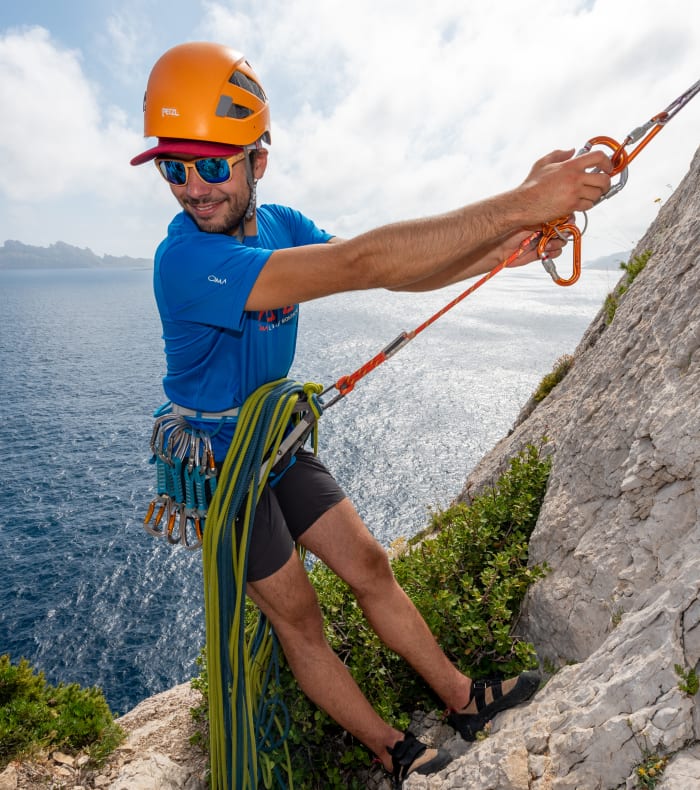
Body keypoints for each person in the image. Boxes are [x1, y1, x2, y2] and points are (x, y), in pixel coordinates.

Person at [131, 42, 612, 786]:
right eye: (174, 168)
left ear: (259, 158)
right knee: (300, 619)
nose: (194, 188)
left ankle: (461, 699)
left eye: (213, 164)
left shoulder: (279, 223)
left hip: (273, 441)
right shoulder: (186, 261)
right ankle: (391, 749)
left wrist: (500, 247)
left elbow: (397, 271)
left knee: (370, 566)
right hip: (223, 466)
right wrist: (524, 203)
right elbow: (364, 264)